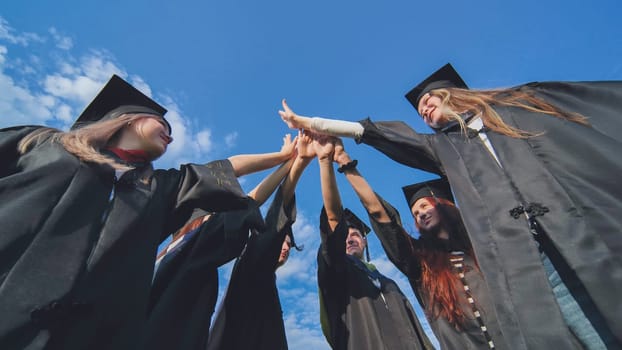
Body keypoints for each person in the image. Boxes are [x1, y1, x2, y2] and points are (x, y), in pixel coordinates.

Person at [279, 64, 622, 348]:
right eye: (420, 109)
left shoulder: (520, 109)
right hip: (534, 271)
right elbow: (395, 165)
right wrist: (325, 131)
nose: (424, 109)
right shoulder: (449, 154)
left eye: (429, 100)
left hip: (580, 239)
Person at [0, 74, 293, 350]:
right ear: (128, 119)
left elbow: (227, 168)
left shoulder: (157, 190)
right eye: (163, 126)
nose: (170, 138)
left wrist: (283, 157)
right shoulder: (41, 143)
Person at [329, 137, 505, 349]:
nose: (420, 214)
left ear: (444, 205)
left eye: (424, 206)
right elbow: (381, 215)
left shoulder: (483, 243)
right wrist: (345, 163)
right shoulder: (420, 262)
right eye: (415, 212)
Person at [142, 136, 297, 350]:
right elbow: (250, 200)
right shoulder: (189, 246)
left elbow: (246, 198)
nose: (219, 218)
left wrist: (287, 162)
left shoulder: (170, 252)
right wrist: (287, 161)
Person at [310, 133, 434, 350]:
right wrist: (325, 163)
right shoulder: (337, 272)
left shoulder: (389, 283)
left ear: (366, 242)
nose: (350, 237)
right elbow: (333, 219)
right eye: (345, 234)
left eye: (356, 234)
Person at [206, 133, 312, 350]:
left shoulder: (267, 278)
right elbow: (272, 219)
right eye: (282, 241)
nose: (285, 247)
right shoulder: (252, 263)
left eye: (289, 245)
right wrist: (296, 162)